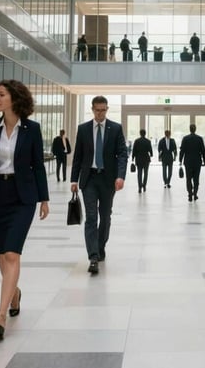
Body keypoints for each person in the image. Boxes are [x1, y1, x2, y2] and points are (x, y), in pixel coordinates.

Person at [0, 79, 49, 339]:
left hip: (22, 197)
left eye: (1, 94)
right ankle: (14, 293)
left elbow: (38, 165)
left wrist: (44, 199)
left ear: (14, 98)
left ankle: (1, 314)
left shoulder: (32, 129)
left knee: (13, 254)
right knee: (2, 255)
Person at [71, 96, 127, 275]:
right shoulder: (83, 129)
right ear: (92, 109)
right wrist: (74, 180)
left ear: (107, 109)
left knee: (105, 217)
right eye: (97, 110)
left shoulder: (116, 128)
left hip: (108, 179)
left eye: (103, 110)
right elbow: (78, 157)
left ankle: (100, 246)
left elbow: (122, 154)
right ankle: (93, 256)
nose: (100, 113)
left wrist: (120, 176)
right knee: (91, 217)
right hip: (89, 179)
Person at [179, 124, 205, 201]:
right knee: (196, 179)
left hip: (188, 161)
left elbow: (182, 151)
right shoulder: (199, 139)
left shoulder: (185, 138)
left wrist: (180, 160)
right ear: (195, 129)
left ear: (189, 129)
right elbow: (203, 151)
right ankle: (195, 194)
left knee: (188, 179)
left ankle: (190, 195)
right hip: (197, 162)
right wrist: (204, 161)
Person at [131, 128, 153, 193]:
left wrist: (133, 157)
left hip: (139, 159)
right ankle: (144, 185)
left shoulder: (137, 141)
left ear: (140, 133)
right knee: (146, 173)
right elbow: (150, 151)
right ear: (145, 133)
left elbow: (134, 150)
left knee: (139, 174)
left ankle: (139, 187)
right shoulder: (148, 141)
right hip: (146, 159)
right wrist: (151, 154)